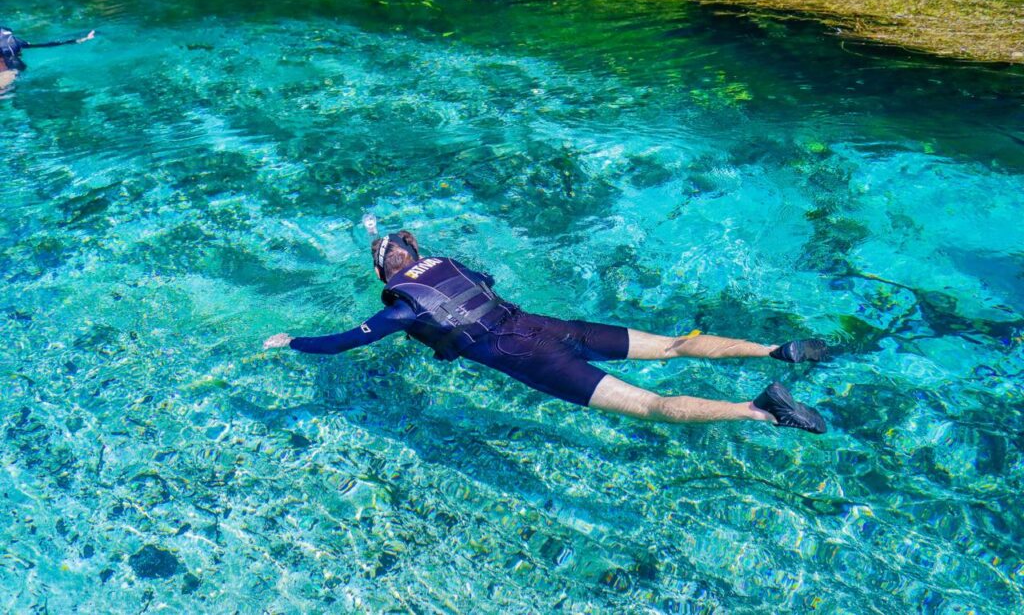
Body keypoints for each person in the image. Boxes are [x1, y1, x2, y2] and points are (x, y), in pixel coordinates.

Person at [264, 219, 829, 434]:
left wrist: (290, 340)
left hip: (536, 359)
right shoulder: (455, 267)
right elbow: (479, 282)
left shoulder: (400, 308)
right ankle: (777, 350)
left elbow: (340, 344)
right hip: (556, 328)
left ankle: (759, 410)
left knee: (652, 406)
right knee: (676, 346)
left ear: (381, 273)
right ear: (417, 252)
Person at [0, 26, 96, 88]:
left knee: (6, 84)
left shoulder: (10, 45)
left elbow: (47, 44)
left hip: (10, 62)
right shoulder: (11, 43)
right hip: (7, 59)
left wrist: (82, 39)